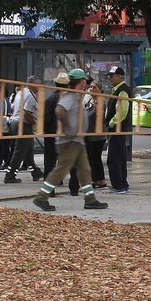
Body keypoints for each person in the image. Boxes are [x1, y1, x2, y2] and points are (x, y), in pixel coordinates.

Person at [32, 69, 108, 212]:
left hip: (76, 141)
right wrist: (68, 129)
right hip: (69, 141)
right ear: (81, 82)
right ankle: (41, 197)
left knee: (85, 170)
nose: (86, 83)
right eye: (84, 81)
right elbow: (59, 111)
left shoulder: (76, 96)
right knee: (61, 170)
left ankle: (90, 199)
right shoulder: (71, 96)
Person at [4, 76, 44, 183]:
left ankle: (35, 171)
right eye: (38, 84)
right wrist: (35, 123)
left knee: (28, 149)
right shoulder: (29, 96)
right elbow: (26, 113)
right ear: (32, 84)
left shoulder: (21, 92)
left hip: (16, 123)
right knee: (20, 151)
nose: (40, 87)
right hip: (22, 124)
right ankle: (10, 175)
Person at [105, 65, 133, 192]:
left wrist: (111, 123)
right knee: (120, 156)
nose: (110, 78)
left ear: (119, 77)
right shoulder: (118, 89)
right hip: (119, 128)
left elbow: (122, 111)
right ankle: (122, 184)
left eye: (112, 76)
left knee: (114, 158)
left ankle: (118, 185)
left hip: (118, 128)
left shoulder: (122, 90)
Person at [84, 78, 109, 192]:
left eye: (94, 87)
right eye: (91, 87)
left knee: (95, 158)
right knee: (90, 157)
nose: (91, 89)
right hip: (88, 134)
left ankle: (101, 180)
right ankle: (94, 179)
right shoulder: (89, 101)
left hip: (97, 136)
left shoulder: (100, 101)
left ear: (100, 90)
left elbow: (101, 117)